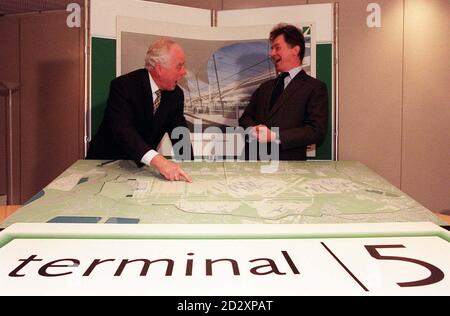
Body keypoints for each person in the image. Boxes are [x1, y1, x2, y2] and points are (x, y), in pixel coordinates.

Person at [87, 39, 192, 182]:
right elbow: (123, 131)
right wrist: (160, 161)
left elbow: (179, 132)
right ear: (160, 68)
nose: (184, 72)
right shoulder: (124, 86)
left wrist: (192, 165)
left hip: (141, 168)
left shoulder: (175, 94)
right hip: (105, 164)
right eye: (179, 66)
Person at [239, 23, 328, 160]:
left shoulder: (315, 88)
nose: (272, 53)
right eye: (272, 48)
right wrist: (252, 130)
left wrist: (275, 136)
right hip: (253, 165)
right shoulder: (265, 87)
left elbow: (316, 131)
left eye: (277, 48)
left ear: (295, 50)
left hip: (288, 170)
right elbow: (245, 117)